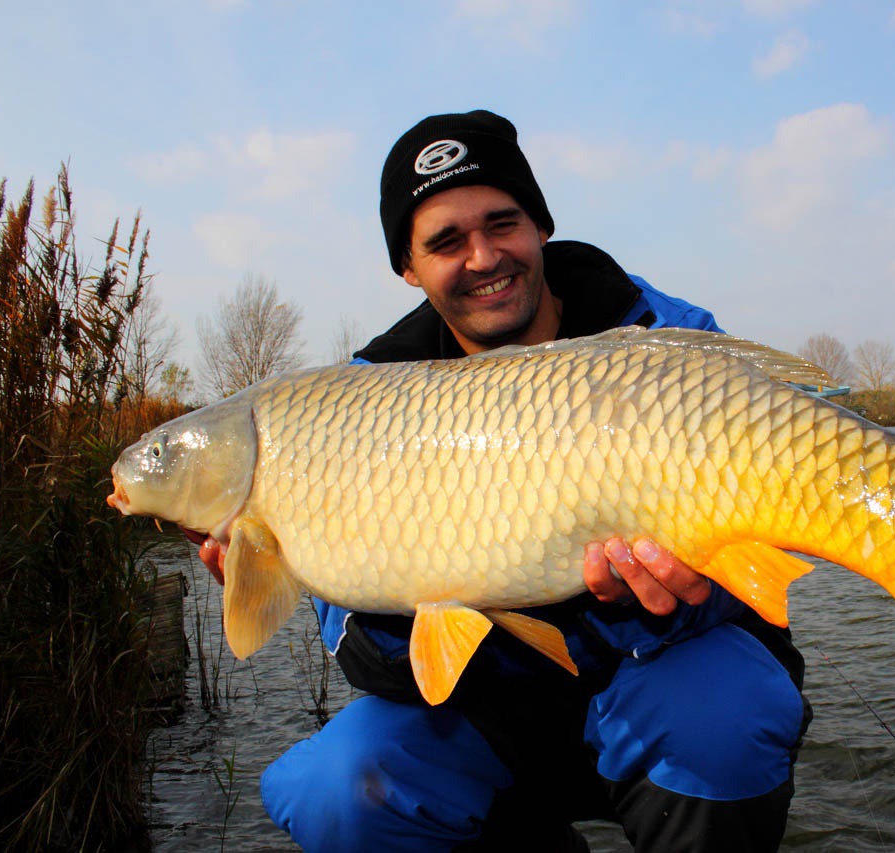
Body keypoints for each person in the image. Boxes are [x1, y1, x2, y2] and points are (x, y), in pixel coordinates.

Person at [191, 110, 810, 852]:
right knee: (334, 787)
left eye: (502, 223)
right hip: (490, 719)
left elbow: (759, 587)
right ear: (408, 269)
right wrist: (274, 570)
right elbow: (364, 650)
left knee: (728, 714)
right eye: (446, 241)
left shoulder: (660, 341)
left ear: (540, 226)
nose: (483, 256)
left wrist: (670, 599)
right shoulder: (344, 408)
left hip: (660, 686)